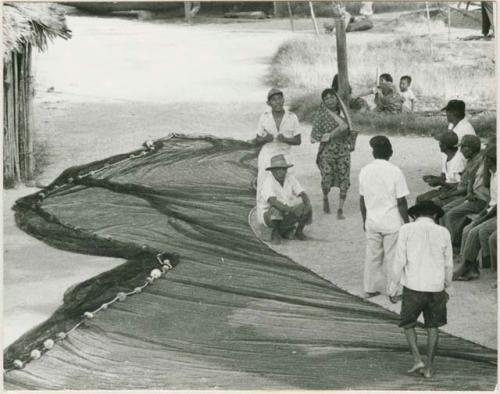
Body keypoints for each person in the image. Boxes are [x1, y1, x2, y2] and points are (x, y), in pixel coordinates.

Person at [389, 201, 452, 379]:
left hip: (413, 286)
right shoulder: (443, 232)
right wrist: (448, 286)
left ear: (415, 215)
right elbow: (448, 264)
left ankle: (417, 358)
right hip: (435, 287)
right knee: (433, 327)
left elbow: (400, 260)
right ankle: (429, 368)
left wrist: (393, 286)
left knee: (408, 324)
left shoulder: (406, 229)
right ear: (434, 216)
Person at [359, 136, 410, 300]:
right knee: (393, 256)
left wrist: (364, 220)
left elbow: (362, 199)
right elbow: (401, 200)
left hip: (372, 220)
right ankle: (394, 291)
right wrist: (407, 221)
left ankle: (370, 288)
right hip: (390, 221)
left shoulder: (365, 170)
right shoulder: (395, 171)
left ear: (373, 153)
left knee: (372, 255)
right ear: (391, 153)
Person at [255, 88, 301, 216]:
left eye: (280, 98)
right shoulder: (264, 117)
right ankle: (264, 216)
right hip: (268, 154)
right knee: (265, 183)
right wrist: (265, 138)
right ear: (268, 103)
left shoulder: (292, 117)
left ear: (283, 100)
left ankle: (288, 217)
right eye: (273, 100)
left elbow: (298, 140)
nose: (277, 102)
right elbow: (257, 138)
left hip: (285, 155)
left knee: (287, 183)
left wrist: (286, 139)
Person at [454, 144, 496, 281]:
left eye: (486, 160)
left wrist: (482, 218)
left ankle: (467, 267)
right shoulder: (493, 174)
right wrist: (482, 214)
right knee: (467, 229)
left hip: (496, 213)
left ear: (490, 161)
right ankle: (468, 266)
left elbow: (496, 206)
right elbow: (491, 200)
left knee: (475, 230)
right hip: (491, 210)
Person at [311, 89, 353, 219]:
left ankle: (340, 209)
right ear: (323, 101)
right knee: (327, 177)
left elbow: (350, 130)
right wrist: (326, 136)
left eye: (332, 97)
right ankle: (325, 197)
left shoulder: (345, 114)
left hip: (343, 150)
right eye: (327, 98)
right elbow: (313, 136)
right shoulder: (321, 115)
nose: (330, 100)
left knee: (344, 177)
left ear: (336, 98)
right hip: (327, 150)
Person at [441, 149, 490, 250]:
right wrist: (469, 193)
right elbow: (471, 179)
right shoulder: (476, 162)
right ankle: (446, 241)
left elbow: (486, 185)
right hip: (473, 196)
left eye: (464, 147)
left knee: (451, 213)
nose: (461, 150)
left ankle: (453, 244)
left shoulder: (486, 166)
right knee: (445, 209)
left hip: (482, 200)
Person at [258, 154, 312, 244]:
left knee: (307, 206)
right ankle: (276, 233)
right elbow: (273, 202)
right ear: (272, 171)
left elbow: (302, 193)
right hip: (269, 216)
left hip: (286, 211)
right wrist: (292, 210)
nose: (281, 172)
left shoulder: (290, 178)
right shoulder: (268, 182)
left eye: (283, 169)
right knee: (276, 209)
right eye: (278, 169)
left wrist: (307, 203)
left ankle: (299, 232)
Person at [434, 134, 483, 207]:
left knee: (439, 204)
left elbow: (467, 187)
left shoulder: (477, 163)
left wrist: (449, 194)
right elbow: (461, 183)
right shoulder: (470, 160)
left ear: (471, 148)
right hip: (458, 191)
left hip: (464, 195)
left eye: (463, 147)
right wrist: (449, 194)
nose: (460, 150)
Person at [417, 131, 466, 203]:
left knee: (429, 203)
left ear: (444, 146)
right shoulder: (448, 156)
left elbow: (460, 186)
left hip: (454, 193)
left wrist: (440, 182)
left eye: (440, 143)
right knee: (420, 199)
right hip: (446, 189)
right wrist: (433, 178)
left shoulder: (458, 161)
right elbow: (445, 178)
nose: (439, 144)